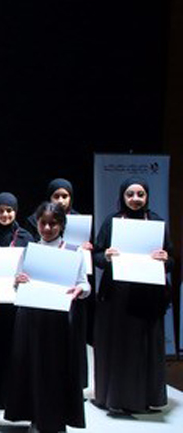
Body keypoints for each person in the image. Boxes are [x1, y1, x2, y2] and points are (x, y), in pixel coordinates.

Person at [5, 202, 89, 432]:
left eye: (53, 224)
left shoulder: (73, 251)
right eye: (43, 223)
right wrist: (18, 281)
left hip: (60, 321)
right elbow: (16, 283)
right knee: (34, 368)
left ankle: (57, 419)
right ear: (37, 224)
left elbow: (84, 284)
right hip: (32, 318)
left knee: (57, 370)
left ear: (62, 225)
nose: (48, 228)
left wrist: (80, 290)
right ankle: (36, 416)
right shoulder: (30, 250)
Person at [91, 177, 172, 415]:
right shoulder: (112, 221)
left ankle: (144, 398)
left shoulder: (156, 222)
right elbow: (96, 256)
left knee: (143, 347)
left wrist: (165, 259)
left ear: (147, 197)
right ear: (122, 196)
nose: (135, 199)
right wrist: (106, 256)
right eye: (130, 194)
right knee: (117, 346)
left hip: (147, 297)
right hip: (117, 297)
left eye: (140, 194)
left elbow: (172, 260)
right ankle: (112, 398)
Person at [0, 192, 33, 408]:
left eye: (9, 210)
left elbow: (32, 267)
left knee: (13, 348)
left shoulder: (25, 237)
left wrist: (24, 277)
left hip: (15, 303)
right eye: (1, 210)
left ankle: (9, 396)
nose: (5, 215)